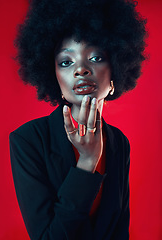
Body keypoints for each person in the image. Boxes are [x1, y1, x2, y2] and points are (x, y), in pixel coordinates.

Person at [9, 0, 148, 239]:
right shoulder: (27, 140)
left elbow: (119, 228)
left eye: (95, 58)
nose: (80, 70)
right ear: (54, 79)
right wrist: (87, 161)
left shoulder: (119, 142)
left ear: (116, 69)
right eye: (66, 62)